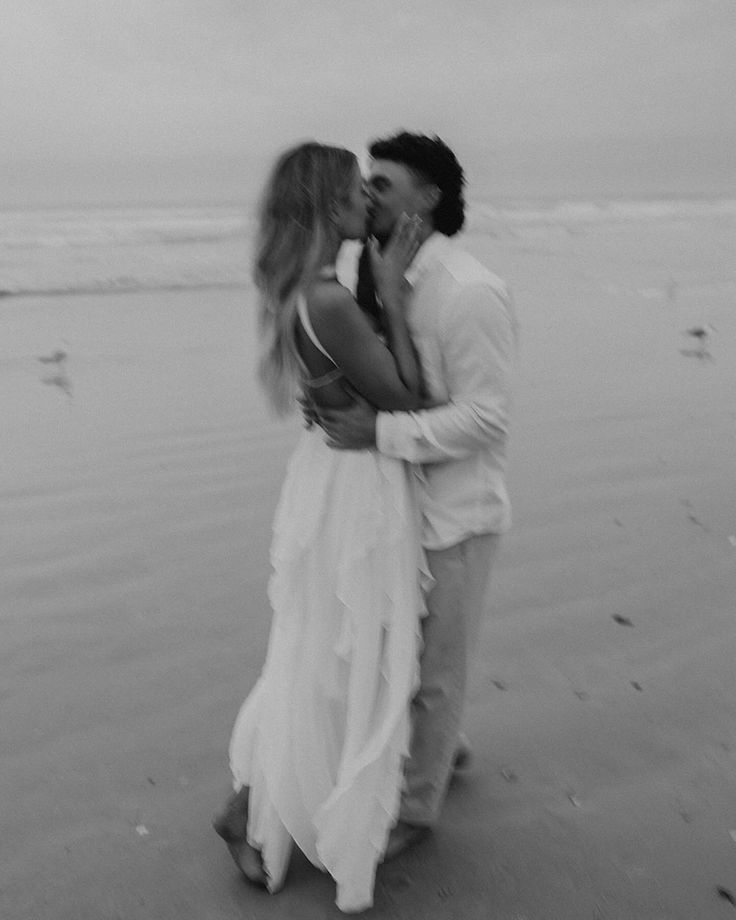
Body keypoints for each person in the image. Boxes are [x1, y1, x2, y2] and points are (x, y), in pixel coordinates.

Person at [213, 141, 435, 914]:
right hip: (355, 484)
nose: (364, 201)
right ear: (325, 208)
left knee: (313, 641)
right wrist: (394, 300)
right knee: (347, 642)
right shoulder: (333, 301)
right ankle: (260, 804)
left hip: (324, 472)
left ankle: (257, 797)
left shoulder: (303, 291)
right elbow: (408, 397)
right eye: (352, 191)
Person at [316, 132, 518, 859]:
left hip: (458, 513)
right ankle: (448, 750)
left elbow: (487, 417)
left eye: (385, 183)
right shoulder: (384, 273)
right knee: (402, 654)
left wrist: (382, 431)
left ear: (429, 198)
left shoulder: (469, 292)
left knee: (436, 670)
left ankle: (415, 809)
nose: (368, 193)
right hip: (401, 508)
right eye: (366, 182)